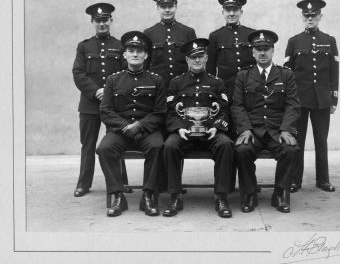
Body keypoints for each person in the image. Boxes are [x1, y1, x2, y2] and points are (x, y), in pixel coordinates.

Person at [96, 31, 166, 217]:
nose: (135, 54)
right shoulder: (113, 80)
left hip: (147, 131)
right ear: (124, 54)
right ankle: (118, 196)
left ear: (146, 55)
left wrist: (140, 125)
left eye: (139, 51)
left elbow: (160, 112)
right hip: (120, 131)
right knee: (104, 148)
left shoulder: (156, 80)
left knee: (158, 146)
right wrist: (124, 126)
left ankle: (148, 195)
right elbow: (106, 110)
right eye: (131, 50)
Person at [163, 38, 234, 218]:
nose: (197, 60)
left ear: (206, 58)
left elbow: (225, 110)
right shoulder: (176, 83)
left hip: (210, 132)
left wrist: (216, 128)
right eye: (192, 57)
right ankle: (175, 196)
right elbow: (169, 112)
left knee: (225, 144)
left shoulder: (217, 82)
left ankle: (221, 196)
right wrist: (179, 128)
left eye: (200, 56)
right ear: (187, 60)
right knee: (170, 146)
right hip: (185, 132)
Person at [231, 30, 301, 213]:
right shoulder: (243, 76)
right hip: (253, 131)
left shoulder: (286, 75)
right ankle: (249, 193)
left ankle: (279, 193)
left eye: (266, 49)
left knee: (290, 149)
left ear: (272, 51)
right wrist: (245, 129)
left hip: (277, 131)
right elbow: (237, 106)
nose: (262, 53)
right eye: (258, 49)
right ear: (252, 52)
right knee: (242, 150)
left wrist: (287, 129)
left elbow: (293, 105)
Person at [72, 3, 128, 197]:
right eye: (98, 20)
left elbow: (125, 73)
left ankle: (122, 182)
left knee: (117, 141)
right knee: (88, 145)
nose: (102, 23)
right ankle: (83, 184)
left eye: (105, 20)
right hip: (89, 105)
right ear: (92, 22)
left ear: (111, 20)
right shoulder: (84, 46)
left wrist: (111, 93)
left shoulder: (121, 46)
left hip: (114, 104)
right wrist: (96, 92)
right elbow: (78, 73)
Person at [283, 0, 339, 193]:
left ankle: (323, 180)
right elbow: (287, 74)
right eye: (307, 16)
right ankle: (294, 180)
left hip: (322, 99)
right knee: (297, 141)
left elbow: (334, 71)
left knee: (321, 140)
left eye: (314, 16)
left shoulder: (330, 41)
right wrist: (289, 101)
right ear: (302, 18)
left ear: (320, 17)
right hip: (299, 100)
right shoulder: (294, 41)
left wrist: (334, 99)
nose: (310, 19)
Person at [144, 0, 197, 86]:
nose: (167, 10)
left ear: (176, 6)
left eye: (170, 6)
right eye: (163, 7)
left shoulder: (188, 32)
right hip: (157, 86)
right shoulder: (149, 33)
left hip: (183, 86)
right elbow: (145, 65)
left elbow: (195, 62)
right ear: (157, 7)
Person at [207, 0, 255, 100]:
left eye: (235, 10)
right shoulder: (215, 36)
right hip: (226, 90)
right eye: (228, 10)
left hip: (250, 89)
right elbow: (210, 68)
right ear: (223, 12)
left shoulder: (251, 34)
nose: (232, 14)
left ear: (241, 12)